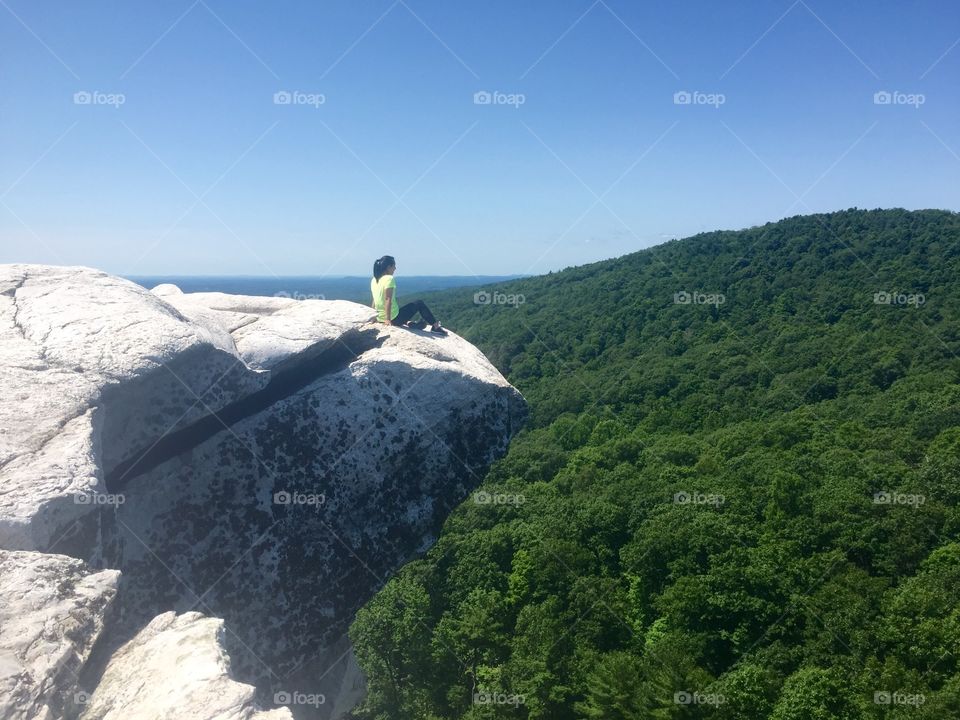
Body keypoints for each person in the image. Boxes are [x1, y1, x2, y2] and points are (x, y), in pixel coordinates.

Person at [371, 255, 447, 334]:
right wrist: (388, 319)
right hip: (394, 319)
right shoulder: (389, 278)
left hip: (379, 318)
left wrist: (373, 316)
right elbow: (387, 299)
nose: (395, 268)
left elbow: (375, 299)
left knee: (400, 309)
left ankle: (409, 323)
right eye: (394, 266)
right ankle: (435, 327)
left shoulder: (374, 279)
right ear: (388, 267)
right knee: (419, 303)